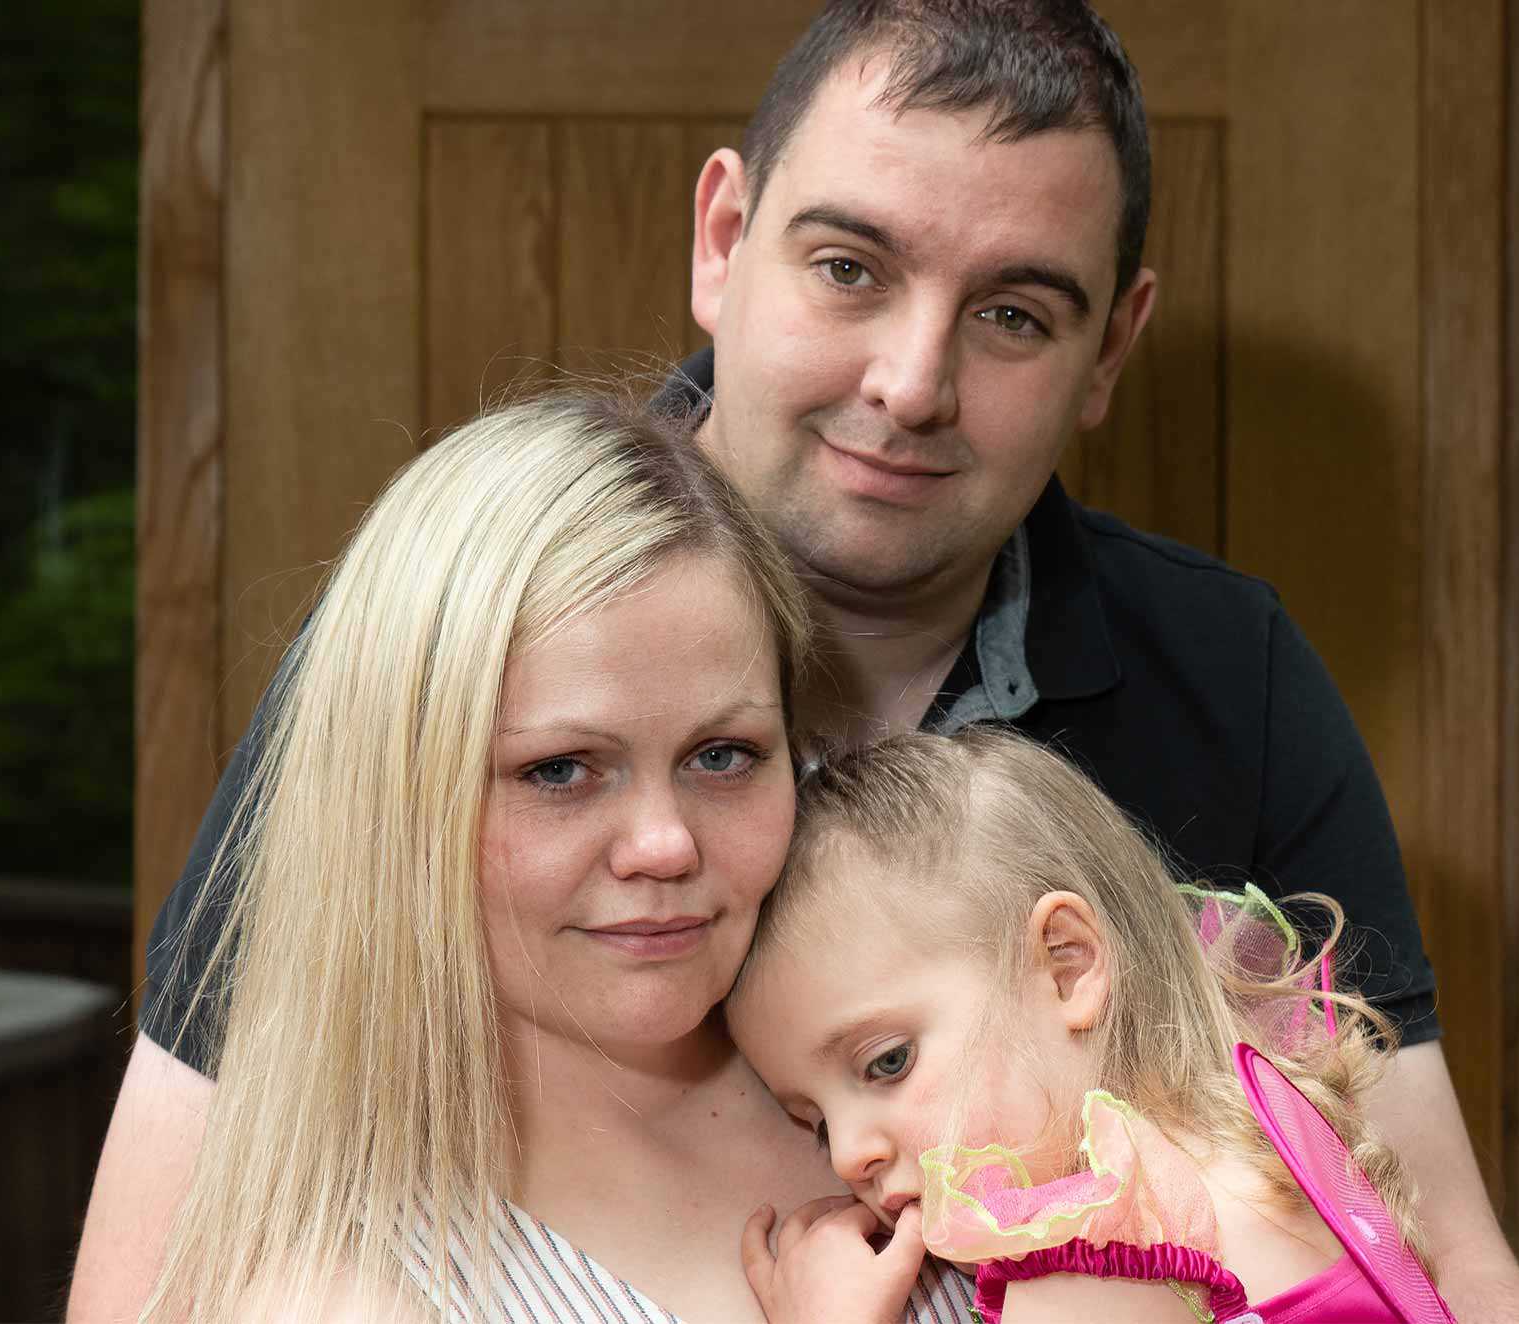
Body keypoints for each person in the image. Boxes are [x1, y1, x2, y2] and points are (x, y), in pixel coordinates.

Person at [76, 3, 1519, 1320]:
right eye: (850, 266)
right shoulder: (460, 643)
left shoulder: (1221, 680)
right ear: (724, 239)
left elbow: (1443, 1257)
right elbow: (160, 1267)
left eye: (1013, 316)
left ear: (1113, 350)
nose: (910, 384)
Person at [95, 391, 981, 1321]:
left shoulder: (938, 1066)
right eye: (560, 770)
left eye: (723, 756)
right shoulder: (350, 1296)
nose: (664, 844)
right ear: (401, 803)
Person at [728, 727, 1451, 1324]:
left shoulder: (1097, 1264)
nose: (849, 1156)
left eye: (887, 1062)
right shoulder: (1270, 1133)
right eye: (816, 1123)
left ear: (1067, 965)